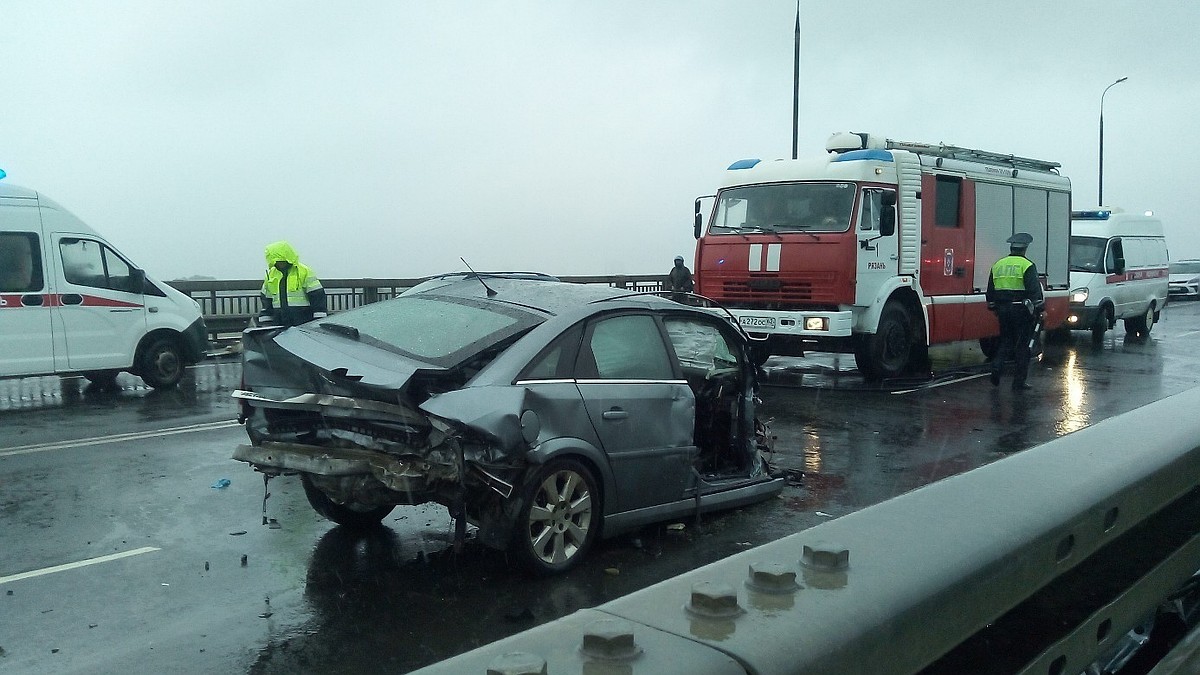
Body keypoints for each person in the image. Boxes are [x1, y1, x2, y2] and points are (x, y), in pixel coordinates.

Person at [986, 232, 1044, 391]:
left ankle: (996, 369)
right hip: (1021, 309)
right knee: (1023, 345)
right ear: (1025, 249)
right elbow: (1034, 292)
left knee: (1006, 341)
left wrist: (993, 306)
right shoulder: (1027, 265)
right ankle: (1018, 382)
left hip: (1003, 309)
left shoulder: (998, 264)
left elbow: (990, 290)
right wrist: (1040, 309)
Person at [259, 240, 327, 327]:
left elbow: (317, 296)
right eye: (277, 261)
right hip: (279, 323)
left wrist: (318, 321)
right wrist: (266, 323)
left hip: (303, 322)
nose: (279, 263)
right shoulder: (271, 275)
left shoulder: (304, 272)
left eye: (281, 261)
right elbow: (266, 300)